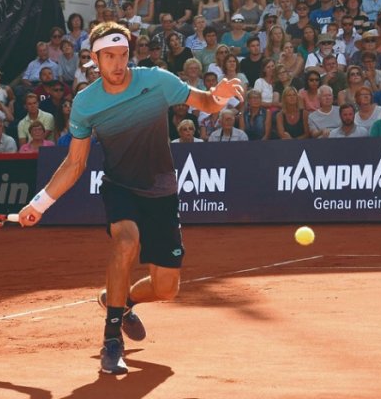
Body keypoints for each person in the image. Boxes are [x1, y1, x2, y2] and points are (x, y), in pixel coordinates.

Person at [17, 21, 245, 375]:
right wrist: (39, 204)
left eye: (123, 54)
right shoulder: (86, 102)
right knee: (126, 243)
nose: (118, 63)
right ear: (94, 58)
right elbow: (75, 163)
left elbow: (204, 102)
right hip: (120, 186)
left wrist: (220, 95)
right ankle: (111, 341)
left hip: (162, 190)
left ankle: (119, 301)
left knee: (166, 289)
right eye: (109, 56)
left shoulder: (156, 80)